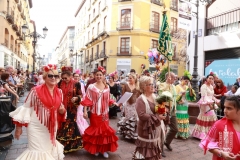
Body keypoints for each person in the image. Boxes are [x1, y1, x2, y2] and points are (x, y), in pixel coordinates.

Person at [9, 64, 66, 160]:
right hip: (36, 127)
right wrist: (19, 128)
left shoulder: (59, 92)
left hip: (51, 127)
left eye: (56, 76)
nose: (53, 78)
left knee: (48, 150)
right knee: (36, 152)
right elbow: (25, 108)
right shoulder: (35, 91)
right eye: (50, 76)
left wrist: (62, 110)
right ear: (44, 77)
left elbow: (61, 110)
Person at [81, 66, 118, 159]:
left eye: (100, 75)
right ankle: (97, 149)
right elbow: (87, 99)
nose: (98, 76)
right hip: (94, 114)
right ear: (94, 76)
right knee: (96, 132)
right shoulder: (91, 87)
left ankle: (104, 150)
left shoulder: (107, 87)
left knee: (104, 132)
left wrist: (115, 103)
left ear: (103, 76)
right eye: (97, 75)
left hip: (105, 114)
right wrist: (85, 111)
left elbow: (108, 99)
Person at [133, 76, 170, 160]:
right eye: (150, 84)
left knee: (154, 149)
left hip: (155, 128)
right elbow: (142, 115)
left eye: (153, 84)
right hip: (146, 130)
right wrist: (157, 117)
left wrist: (164, 110)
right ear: (143, 86)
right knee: (146, 151)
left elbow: (158, 108)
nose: (153, 86)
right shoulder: (140, 99)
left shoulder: (155, 97)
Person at [199, 96, 240, 160]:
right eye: (224, 107)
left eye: (229, 108)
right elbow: (208, 143)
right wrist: (221, 153)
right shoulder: (219, 125)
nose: (225, 111)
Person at [57, 66, 82, 153]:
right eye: (63, 78)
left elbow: (80, 95)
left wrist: (76, 98)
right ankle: (61, 146)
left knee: (70, 125)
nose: (64, 79)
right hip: (62, 108)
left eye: (66, 78)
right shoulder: (60, 83)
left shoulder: (76, 84)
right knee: (62, 124)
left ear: (70, 76)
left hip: (72, 108)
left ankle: (70, 145)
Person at [192, 73, 220, 140]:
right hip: (205, 104)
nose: (211, 80)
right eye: (209, 78)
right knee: (205, 118)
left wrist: (215, 101)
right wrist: (210, 104)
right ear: (206, 79)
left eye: (212, 79)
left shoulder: (211, 86)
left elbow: (211, 96)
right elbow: (204, 97)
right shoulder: (203, 86)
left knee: (212, 117)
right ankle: (202, 134)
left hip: (210, 102)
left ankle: (210, 133)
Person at [117, 73, 141, 140]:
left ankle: (133, 133)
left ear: (134, 79)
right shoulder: (126, 85)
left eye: (131, 78)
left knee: (135, 118)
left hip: (135, 104)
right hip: (127, 104)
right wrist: (121, 104)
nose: (129, 79)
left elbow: (139, 96)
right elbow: (123, 95)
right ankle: (127, 133)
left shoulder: (138, 86)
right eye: (129, 78)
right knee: (128, 118)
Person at [158, 72, 178, 151]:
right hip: (164, 108)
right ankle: (160, 148)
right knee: (163, 130)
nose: (174, 79)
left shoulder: (173, 86)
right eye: (173, 78)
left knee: (175, 129)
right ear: (168, 77)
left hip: (172, 109)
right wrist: (167, 84)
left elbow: (174, 97)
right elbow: (161, 94)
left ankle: (167, 142)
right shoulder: (162, 84)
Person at [175, 75, 196, 139]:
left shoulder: (187, 87)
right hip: (179, 103)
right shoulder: (177, 87)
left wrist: (190, 88)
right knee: (179, 117)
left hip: (185, 104)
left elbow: (191, 96)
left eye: (187, 81)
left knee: (184, 117)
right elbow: (175, 96)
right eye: (185, 80)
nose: (186, 82)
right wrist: (180, 97)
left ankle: (183, 134)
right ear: (182, 79)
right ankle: (178, 133)